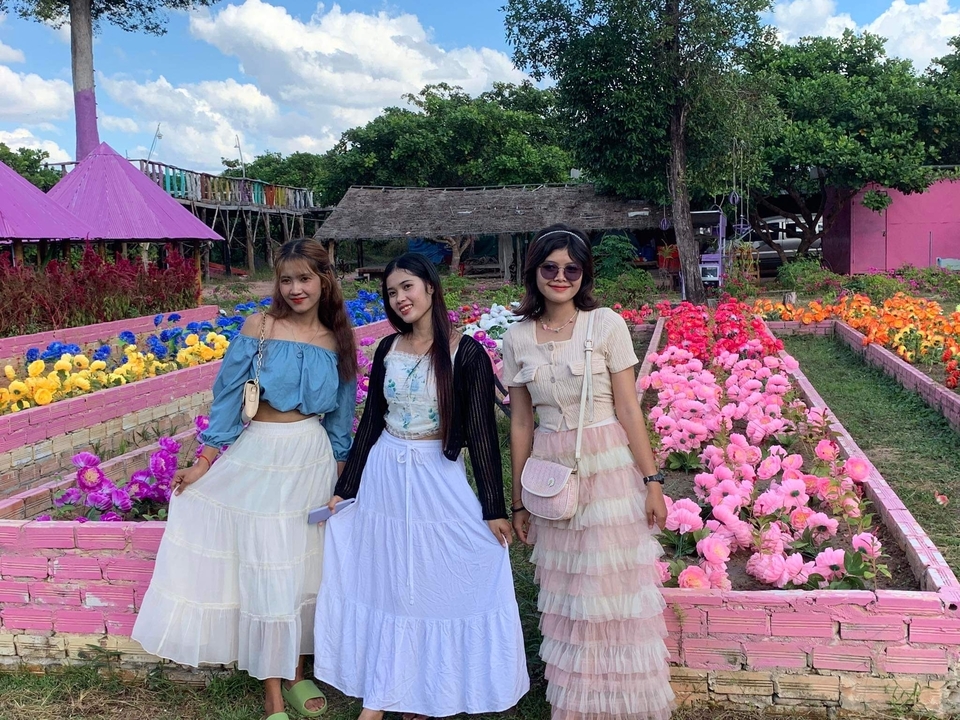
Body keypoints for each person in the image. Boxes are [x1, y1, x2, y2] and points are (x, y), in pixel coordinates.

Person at [133, 239, 358, 720]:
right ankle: (272, 693)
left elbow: (341, 418)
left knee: (303, 570)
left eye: (305, 278)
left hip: (312, 460)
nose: (296, 289)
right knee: (267, 568)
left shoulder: (337, 337)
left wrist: (341, 484)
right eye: (286, 279)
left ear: (324, 280)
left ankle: (296, 673)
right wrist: (204, 461)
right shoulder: (259, 327)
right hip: (260, 455)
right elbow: (228, 397)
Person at [313, 253, 529, 720]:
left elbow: (482, 435)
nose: (400, 298)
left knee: (439, 576)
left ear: (430, 286)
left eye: (407, 287)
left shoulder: (466, 353)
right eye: (391, 292)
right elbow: (371, 422)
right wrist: (346, 487)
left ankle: (428, 689)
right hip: (386, 473)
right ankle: (385, 693)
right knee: (391, 579)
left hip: (437, 473)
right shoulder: (388, 348)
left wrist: (494, 508)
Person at [502, 225, 674, 720]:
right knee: (569, 589)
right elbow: (521, 422)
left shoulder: (605, 325)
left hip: (607, 466)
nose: (561, 277)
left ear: (584, 274)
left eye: (571, 268)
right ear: (534, 272)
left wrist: (652, 482)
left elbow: (628, 407)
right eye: (550, 267)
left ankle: (626, 704)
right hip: (551, 471)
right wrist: (519, 500)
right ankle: (582, 704)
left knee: (612, 584)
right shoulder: (516, 337)